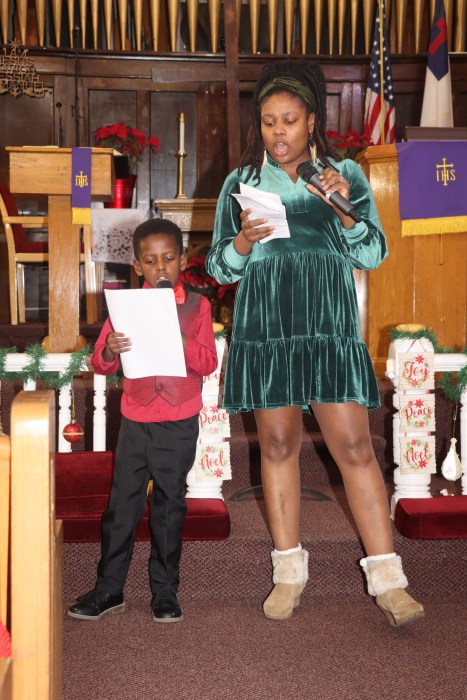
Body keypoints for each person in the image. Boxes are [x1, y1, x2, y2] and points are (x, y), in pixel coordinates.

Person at [205, 59, 424, 627]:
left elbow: (373, 254)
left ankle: (388, 578)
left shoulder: (342, 173)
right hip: (267, 330)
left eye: (290, 121)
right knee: (277, 447)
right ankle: (288, 573)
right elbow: (220, 268)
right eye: (269, 121)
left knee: (353, 448)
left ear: (311, 123)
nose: (278, 132)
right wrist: (246, 243)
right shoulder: (242, 183)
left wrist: (345, 210)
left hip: (326, 330)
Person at [68, 218, 217, 623]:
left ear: (183, 260)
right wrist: (111, 349)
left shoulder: (197, 305)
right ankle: (109, 589)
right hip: (136, 419)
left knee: (169, 507)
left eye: (169, 258)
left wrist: (182, 339)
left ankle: (165, 592)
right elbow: (99, 363)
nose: (161, 267)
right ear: (137, 266)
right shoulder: (125, 306)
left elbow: (208, 361)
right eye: (150, 261)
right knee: (122, 507)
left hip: (178, 420)